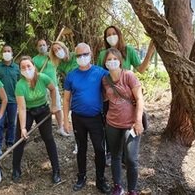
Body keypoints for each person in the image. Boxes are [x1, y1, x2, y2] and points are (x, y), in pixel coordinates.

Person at [63, 43, 110, 193]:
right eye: (79, 55)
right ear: (75, 57)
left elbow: (114, 86)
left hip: (96, 118)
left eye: (85, 54)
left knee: (99, 149)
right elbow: (65, 100)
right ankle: (81, 177)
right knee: (81, 148)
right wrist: (65, 120)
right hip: (78, 118)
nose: (82, 57)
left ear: (90, 54)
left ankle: (100, 180)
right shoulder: (71, 75)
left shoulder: (101, 72)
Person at [12, 56, 61, 184]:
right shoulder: (20, 86)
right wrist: (23, 128)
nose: (26, 69)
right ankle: (16, 169)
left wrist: (54, 104)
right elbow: (21, 108)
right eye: (23, 67)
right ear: (20, 70)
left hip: (43, 110)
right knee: (20, 139)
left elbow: (52, 89)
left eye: (29, 66)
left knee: (48, 138)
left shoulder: (43, 78)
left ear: (33, 66)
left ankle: (56, 170)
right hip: (28, 111)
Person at [102, 48, 144, 195]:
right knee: (115, 155)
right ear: (105, 63)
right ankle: (117, 186)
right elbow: (105, 99)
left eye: (114, 59)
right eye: (109, 59)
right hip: (112, 123)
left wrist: (138, 121)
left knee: (131, 159)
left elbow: (139, 99)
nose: (112, 61)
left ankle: (132, 189)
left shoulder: (128, 76)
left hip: (130, 124)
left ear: (120, 60)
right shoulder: (105, 80)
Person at [33, 39, 70, 137]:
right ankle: (45, 129)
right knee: (44, 108)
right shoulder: (35, 59)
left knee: (57, 106)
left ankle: (60, 128)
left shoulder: (52, 56)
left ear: (47, 46)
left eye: (44, 45)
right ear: (37, 47)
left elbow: (64, 57)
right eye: (40, 45)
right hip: (42, 87)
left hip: (54, 86)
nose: (42, 47)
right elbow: (35, 74)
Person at [0, 45, 20, 151]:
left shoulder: (17, 68)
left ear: (12, 53)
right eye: (4, 51)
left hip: (13, 100)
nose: (7, 53)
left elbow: (20, 83)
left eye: (9, 51)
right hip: (0, 100)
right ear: (2, 53)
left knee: (12, 123)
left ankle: (10, 143)